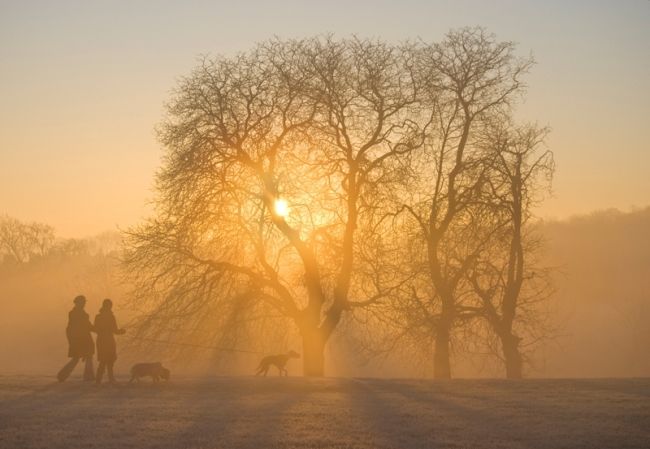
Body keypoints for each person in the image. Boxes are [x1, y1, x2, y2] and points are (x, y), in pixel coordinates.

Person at [57, 295, 95, 382]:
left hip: (81, 339)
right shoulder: (76, 314)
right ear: (78, 303)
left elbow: (87, 326)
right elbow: (85, 326)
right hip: (81, 339)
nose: (84, 303)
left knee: (83, 357)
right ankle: (88, 376)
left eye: (84, 302)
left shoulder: (78, 314)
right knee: (80, 357)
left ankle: (62, 375)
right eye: (83, 302)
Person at [94, 298, 125, 384]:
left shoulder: (98, 317)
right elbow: (115, 330)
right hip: (109, 340)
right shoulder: (111, 317)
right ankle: (110, 378)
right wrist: (122, 331)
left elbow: (95, 329)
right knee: (109, 360)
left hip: (100, 340)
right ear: (109, 306)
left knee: (103, 360)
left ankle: (99, 379)